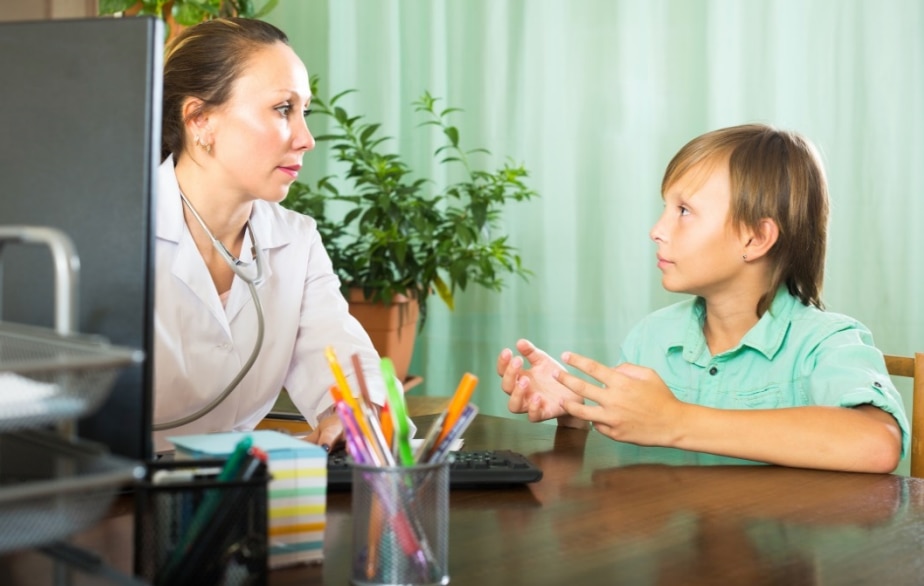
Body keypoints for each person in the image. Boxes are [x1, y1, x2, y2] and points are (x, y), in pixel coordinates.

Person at [497, 124, 910, 473]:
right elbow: (632, 461)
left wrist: (676, 420)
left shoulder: (826, 343)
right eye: (665, 208)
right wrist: (574, 411)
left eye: (684, 211)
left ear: (755, 237)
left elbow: (877, 443)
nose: (657, 230)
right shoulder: (652, 338)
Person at [153, 17, 395, 452]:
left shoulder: (295, 240)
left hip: (237, 493)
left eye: (305, 111)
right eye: (284, 109)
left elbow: (338, 353)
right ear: (200, 119)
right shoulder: (115, 234)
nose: (306, 139)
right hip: (113, 500)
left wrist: (352, 412)